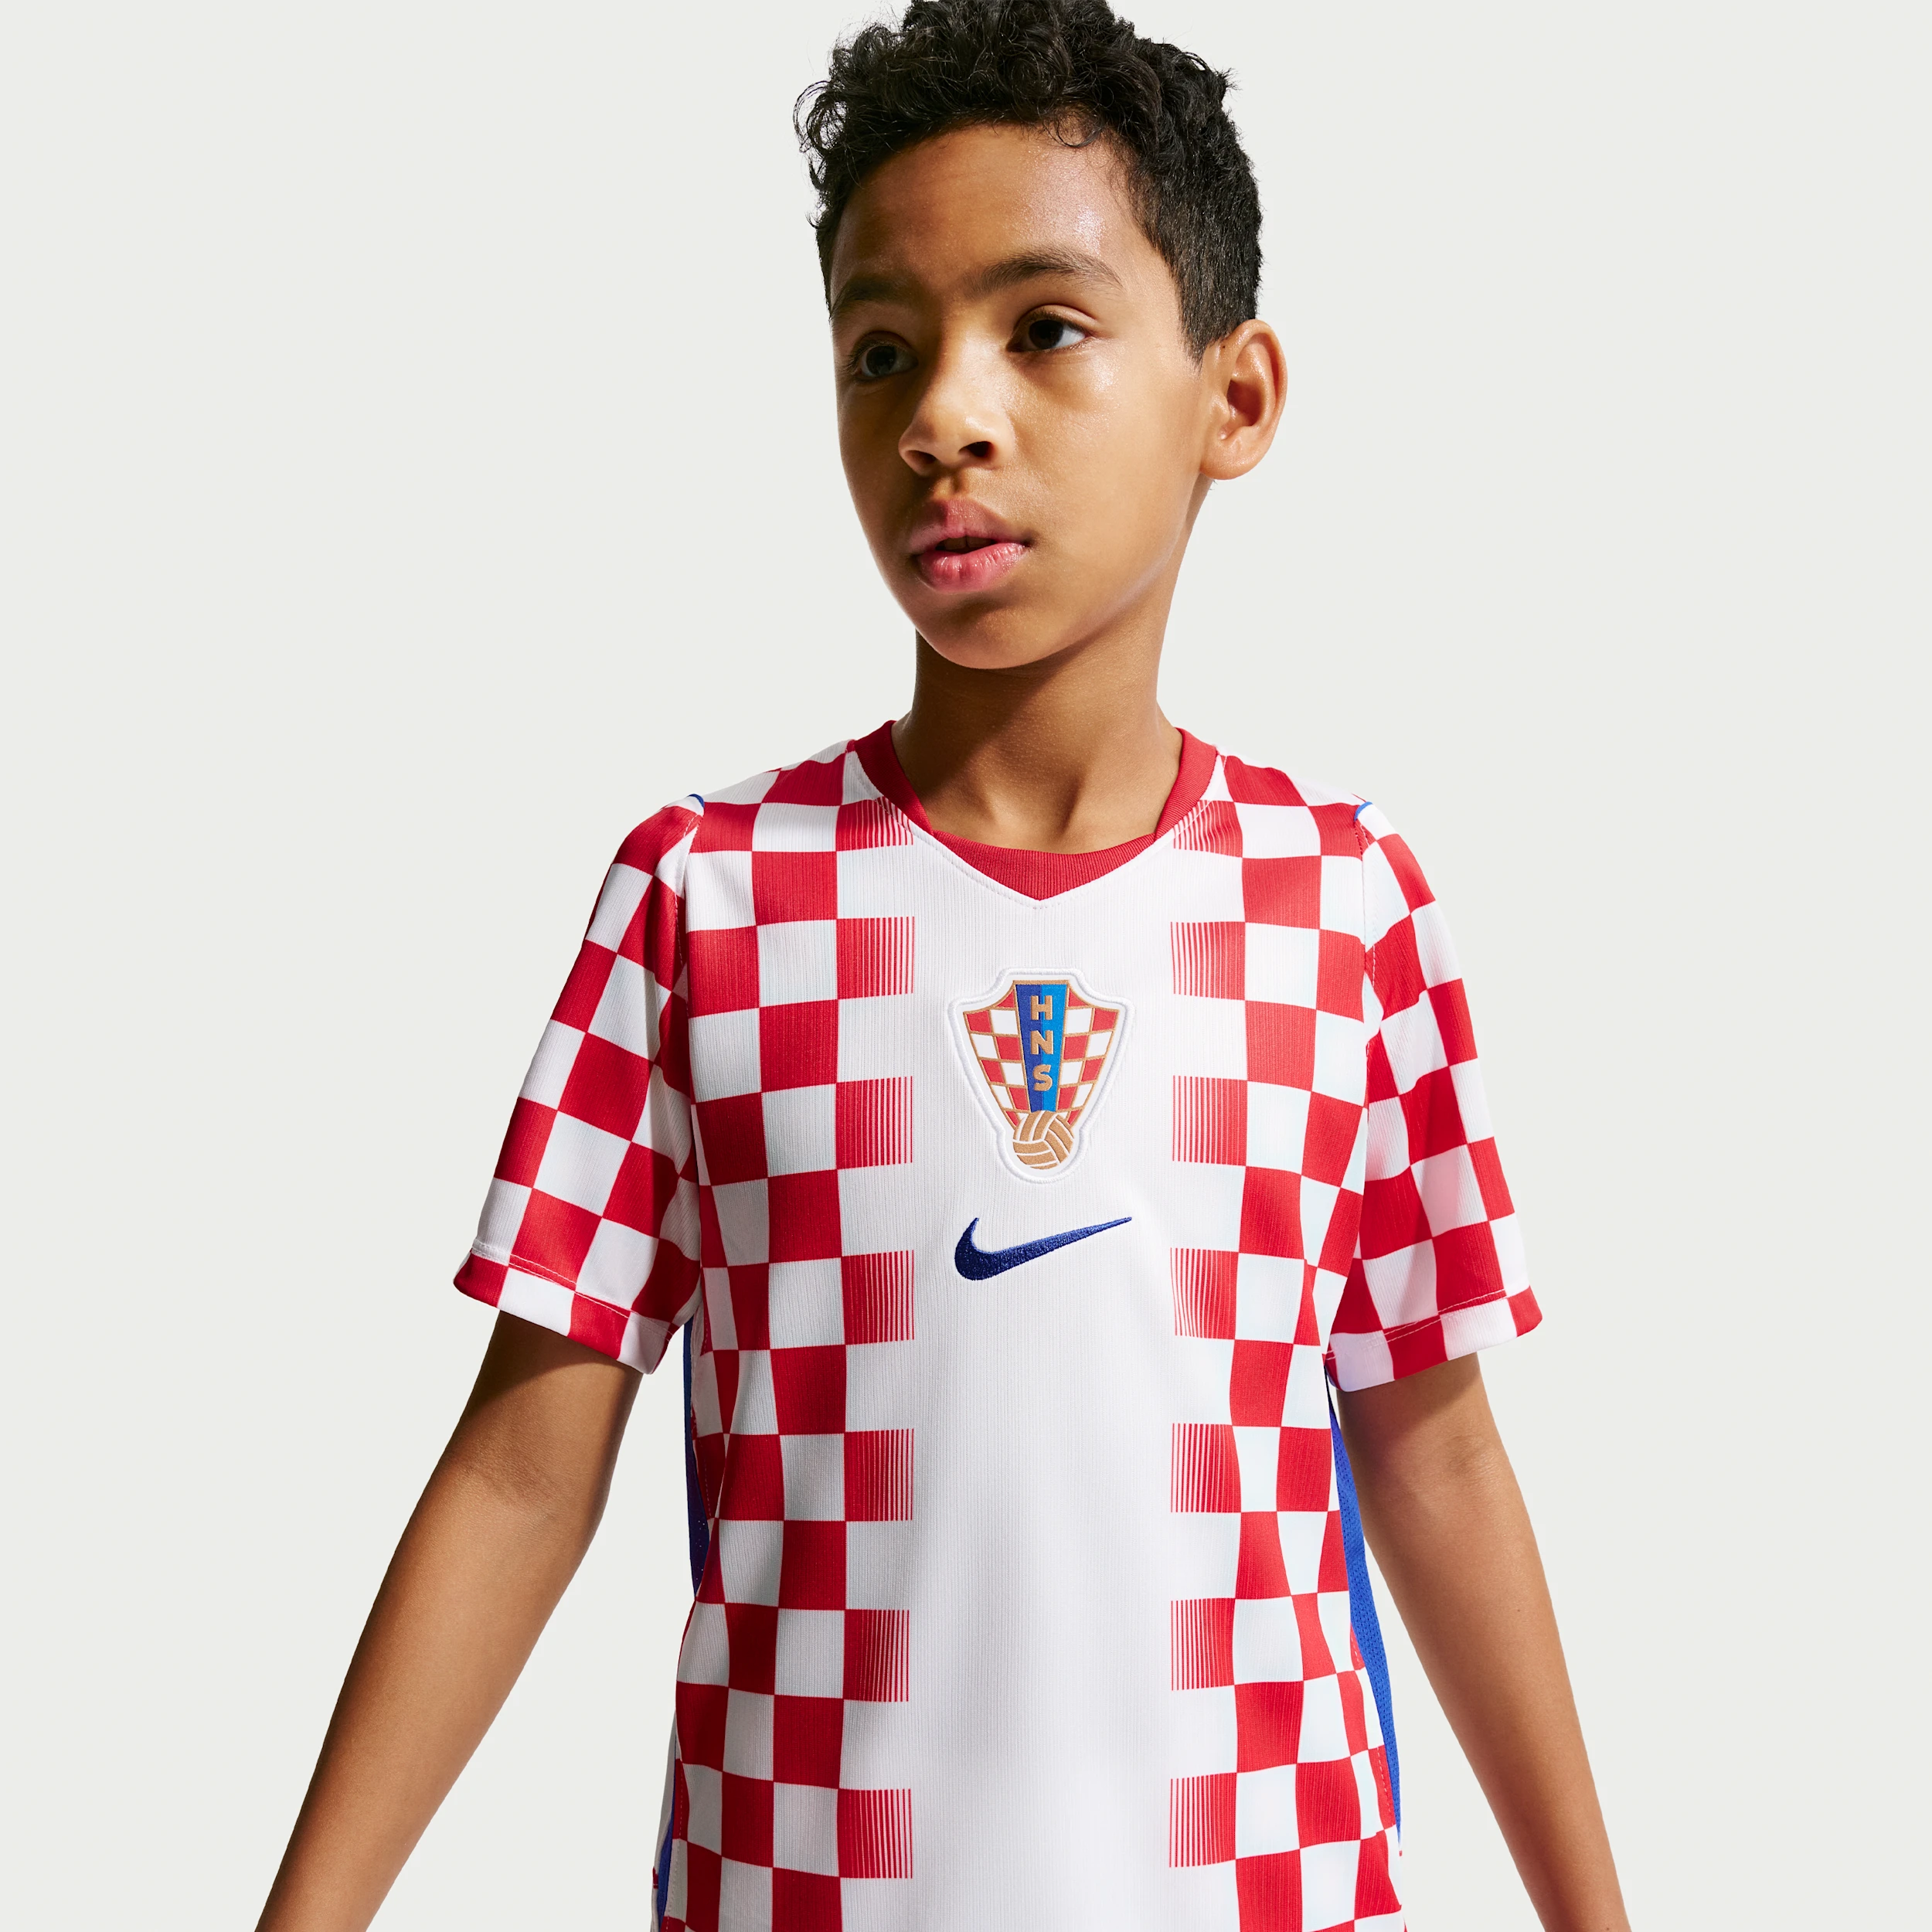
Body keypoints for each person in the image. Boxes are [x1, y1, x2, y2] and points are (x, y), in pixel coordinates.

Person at [258, 3, 1629, 1928]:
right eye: (880, 350)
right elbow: (519, 1474)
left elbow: (1437, 1456)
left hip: (1266, 1888)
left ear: (1233, 398)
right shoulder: (699, 896)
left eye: (1041, 329)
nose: (941, 418)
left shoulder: (1347, 904)